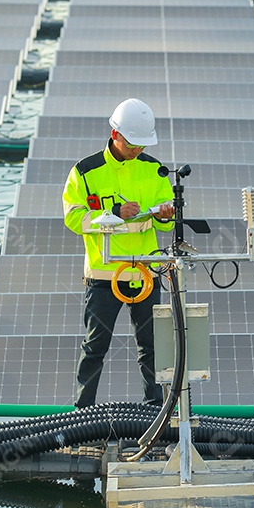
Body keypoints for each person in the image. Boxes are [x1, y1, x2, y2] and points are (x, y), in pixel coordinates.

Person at [62, 98, 175, 408]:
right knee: (95, 346)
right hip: (103, 274)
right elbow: (73, 217)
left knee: (151, 347)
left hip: (145, 272)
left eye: (141, 144)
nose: (137, 149)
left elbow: (168, 217)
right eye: (132, 144)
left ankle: (156, 413)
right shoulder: (85, 171)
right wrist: (113, 212)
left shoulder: (154, 169)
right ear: (115, 135)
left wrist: (165, 214)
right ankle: (82, 415)